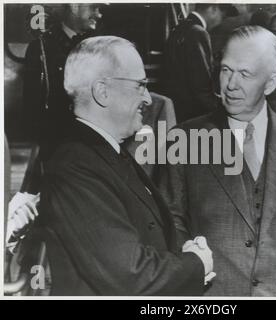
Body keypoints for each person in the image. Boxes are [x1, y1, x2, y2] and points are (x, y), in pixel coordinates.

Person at [158, 26, 276, 296]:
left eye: (245, 74)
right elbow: (171, 224)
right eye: (226, 70)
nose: (231, 84)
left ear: (271, 83)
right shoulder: (185, 138)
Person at [39, 36, 214, 295]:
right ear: (102, 91)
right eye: (140, 85)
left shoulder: (104, 150)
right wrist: (196, 264)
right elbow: (130, 276)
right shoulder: (75, 166)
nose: (148, 99)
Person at [24, 3, 104, 160]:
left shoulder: (99, 45)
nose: (99, 14)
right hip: (58, 145)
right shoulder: (41, 47)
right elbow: (32, 108)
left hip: (95, 140)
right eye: (94, 7)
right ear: (74, 6)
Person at [164, 4, 237, 123]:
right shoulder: (198, 32)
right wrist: (225, 110)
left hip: (178, 111)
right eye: (222, 17)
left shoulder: (179, 28)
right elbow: (202, 89)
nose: (220, 23)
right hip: (194, 114)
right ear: (213, 8)